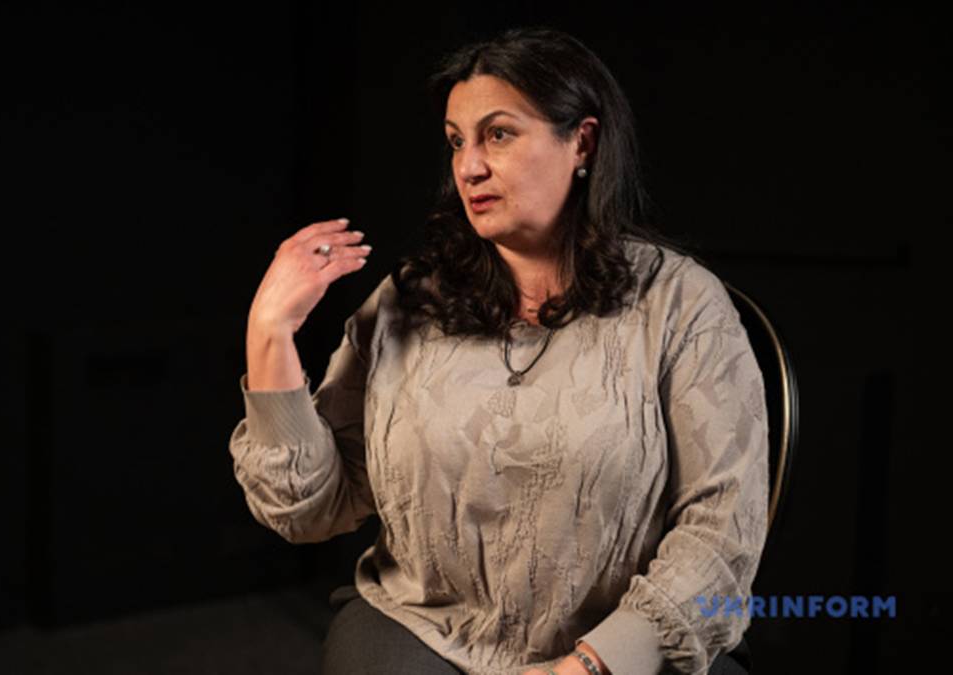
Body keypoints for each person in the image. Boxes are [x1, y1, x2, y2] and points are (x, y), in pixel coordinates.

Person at [229, 24, 769, 675]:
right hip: (427, 629)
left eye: (499, 134)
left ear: (582, 142)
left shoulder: (682, 305)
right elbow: (309, 510)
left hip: (620, 647)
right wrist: (269, 332)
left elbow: (721, 533)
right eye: (457, 141)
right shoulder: (410, 300)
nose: (469, 166)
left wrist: (591, 664)